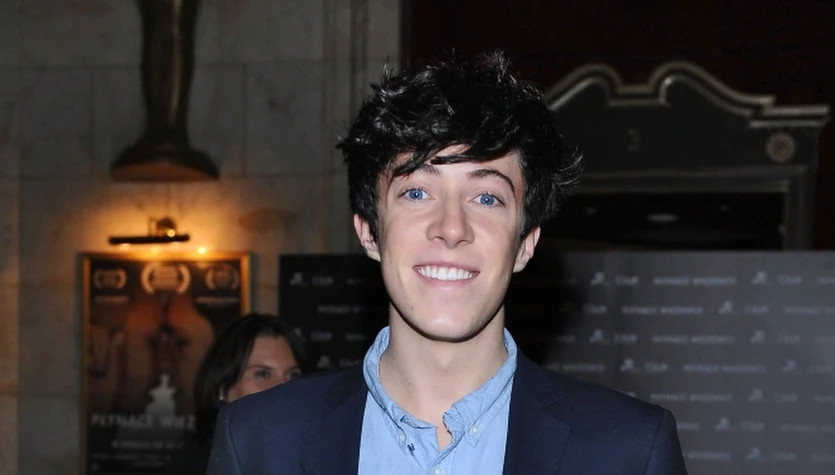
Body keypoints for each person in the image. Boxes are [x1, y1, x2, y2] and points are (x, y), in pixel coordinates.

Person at [207, 52, 687, 474]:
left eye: (487, 197)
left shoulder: (628, 451)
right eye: (417, 192)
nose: (452, 227)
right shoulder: (258, 441)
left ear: (526, 243)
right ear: (369, 231)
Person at [165, 313, 305, 475]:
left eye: (292, 375)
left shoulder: (315, 455)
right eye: (263, 374)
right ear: (223, 388)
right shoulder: (195, 465)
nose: (284, 387)